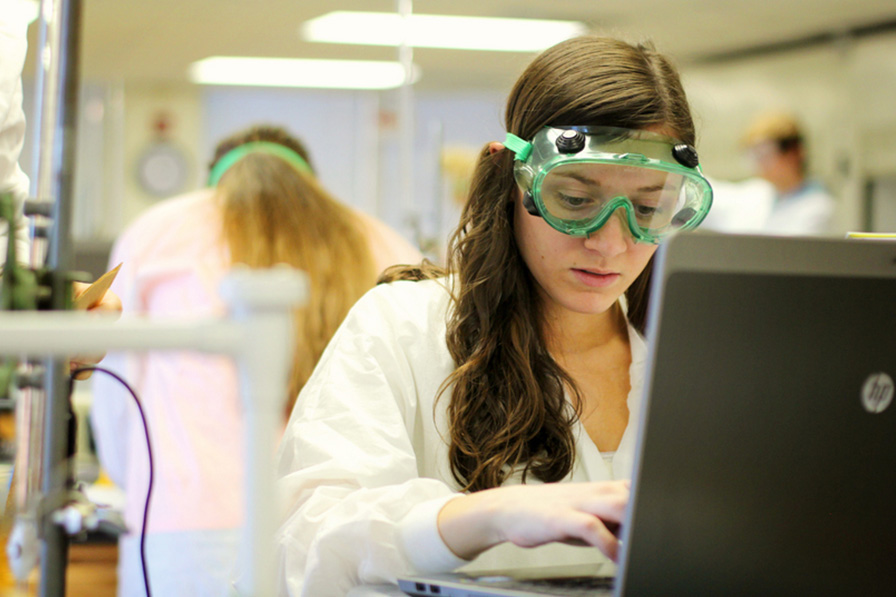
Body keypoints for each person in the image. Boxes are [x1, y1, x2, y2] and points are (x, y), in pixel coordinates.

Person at [276, 35, 714, 596]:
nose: (609, 244)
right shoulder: (403, 329)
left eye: (648, 208)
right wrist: (486, 516)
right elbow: (305, 547)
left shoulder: (693, 356)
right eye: (575, 200)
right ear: (513, 179)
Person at [89, 124, 422, 596]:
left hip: (186, 528)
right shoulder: (383, 242)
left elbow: (118, 398)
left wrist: (139, 488)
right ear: (313, 184)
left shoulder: (159, 233)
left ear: (212, 183)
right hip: (345, 537)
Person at [701, 110, 835, 236]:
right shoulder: (759, 192)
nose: (760, 164)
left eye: (765, 153)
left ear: (794, 153)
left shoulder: (818, 209)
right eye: (754, 155)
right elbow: (710, 197)